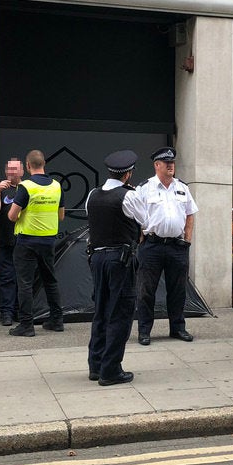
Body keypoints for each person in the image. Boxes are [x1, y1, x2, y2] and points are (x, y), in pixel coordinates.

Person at [85, 150, 148, 386]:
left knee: (100, 310)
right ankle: (111, 370)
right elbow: (147, 222)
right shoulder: (128, 196)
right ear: (128, 174)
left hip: (97, 258)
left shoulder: (93, 194)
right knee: (120, 312)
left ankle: (96, 364)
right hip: (120, 260)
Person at [131, 147, 198, 345]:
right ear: (156, 165)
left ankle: (178, 328)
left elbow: (190, 213)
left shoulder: (182, 187)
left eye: (172, 163)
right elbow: (133, 214)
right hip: (152, 245)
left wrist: (188, 238)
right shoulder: (144, 188)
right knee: (146, 290)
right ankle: (144, 331)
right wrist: (140, 237)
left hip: (177, 246)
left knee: (178, 289)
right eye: (166, 163)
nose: (171, 166)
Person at [7, 150, 65, 337]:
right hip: (48, 240)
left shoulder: (26, 187)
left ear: (28, 166)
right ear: (44, 164)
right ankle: (57, 320)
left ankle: (26, 325)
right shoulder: (56, 186)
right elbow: (61, 215)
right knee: (50, 280)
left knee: (25, 283)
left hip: (27, 241)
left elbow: (12, 215)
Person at [0, 157, 24, 327]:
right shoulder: (0, 188)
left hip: (23, 240)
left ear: (22, 171)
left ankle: (20, 310)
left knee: (22, 278)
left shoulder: (27, 188)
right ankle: (6, 312)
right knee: (6, 277)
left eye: (15, 169)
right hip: (4, 240)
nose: (12, 172)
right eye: (9, 169)